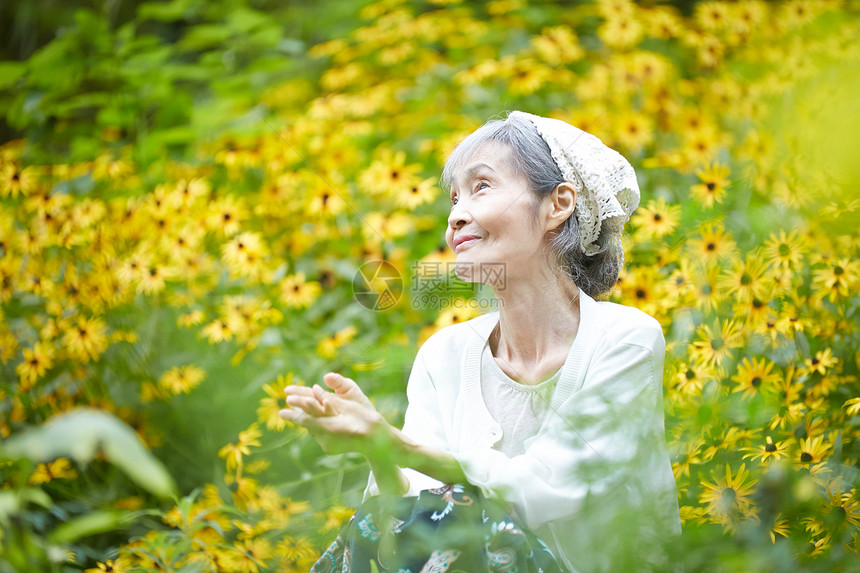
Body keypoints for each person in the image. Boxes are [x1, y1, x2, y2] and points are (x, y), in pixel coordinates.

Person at [280, 110, 682, 573]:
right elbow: (409, 520)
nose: (455, 216)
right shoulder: (443, 354)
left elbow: (542, 489)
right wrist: (377, 449)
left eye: (481, 186)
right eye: (453, 198)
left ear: (558, 204)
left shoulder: (625, 341)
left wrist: (398, 444)